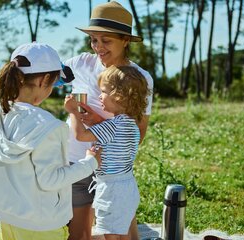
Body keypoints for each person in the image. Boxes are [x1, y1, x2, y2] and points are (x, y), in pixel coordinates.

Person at [0, 42, 101, 240]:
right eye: (54, 83)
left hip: (7, 219)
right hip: (43, 225)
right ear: (44, 80)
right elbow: (51, 180)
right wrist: (91, 162)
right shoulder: (49, 126)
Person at [63, 1, 154, 239]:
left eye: (106, 40)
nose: (98, 47)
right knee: (79, 237)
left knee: (122, 234)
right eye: (94, 39)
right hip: (77, 164)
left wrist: (98, 122)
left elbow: (138, 133)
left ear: (125, 40)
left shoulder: (140, 79)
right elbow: (44, 77)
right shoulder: (78, 64)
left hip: (115, 174)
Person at [65, 65, 150, 240]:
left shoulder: (111, 126)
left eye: (103, 91)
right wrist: (97, 123)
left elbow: (80, 135)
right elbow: (113, 140)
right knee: (122, 229)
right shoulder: (131, 126)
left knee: (111, 234)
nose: (99, 96)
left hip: (110, 189)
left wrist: (73, 111)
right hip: (127, 185)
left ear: (118, 95)